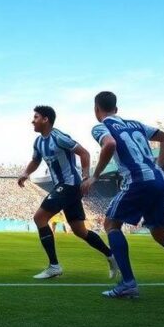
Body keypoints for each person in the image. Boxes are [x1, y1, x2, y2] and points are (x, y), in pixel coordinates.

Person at [81, 92, 164, 304]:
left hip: (137, 180)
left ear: (97, 109)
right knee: (161, 233)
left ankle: (128, 284)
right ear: (117, 107)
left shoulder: (100, 126)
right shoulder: (136, 124)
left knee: (111, 224)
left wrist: (95, 176)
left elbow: (110, 144)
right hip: (160, 179)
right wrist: (158, 165)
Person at [17, 105, 117, 280]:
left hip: (69, 185)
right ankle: (112, 256)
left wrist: (86, 177)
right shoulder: (38, 142)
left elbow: (84, 153)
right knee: (80, 231)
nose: (32, 121)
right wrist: (26, 173)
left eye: (36, 117)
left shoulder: (59, 137)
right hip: (65, 188)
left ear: (46, 119)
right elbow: (35, 160)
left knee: (39, 218)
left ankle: (54, 266)